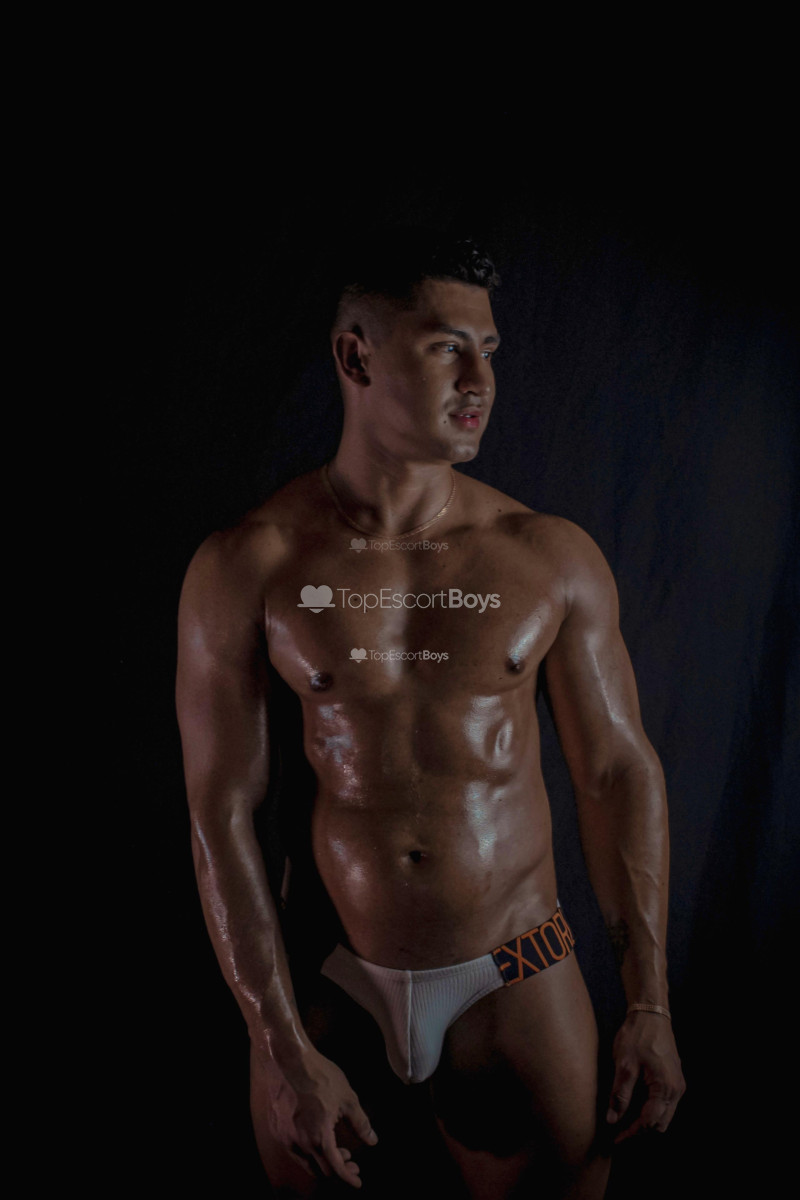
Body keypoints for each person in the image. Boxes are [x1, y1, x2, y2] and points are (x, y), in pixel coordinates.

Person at [176, 230, 685, 1198]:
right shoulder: (251, 563)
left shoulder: (545, 554)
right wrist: (276, 1043)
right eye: (447, 347)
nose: (479, 380)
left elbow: (617, 771)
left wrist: (649, 1004)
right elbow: (221, 811)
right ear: (356, 356)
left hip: (515, 975)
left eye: (487, 351)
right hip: (327, 981)